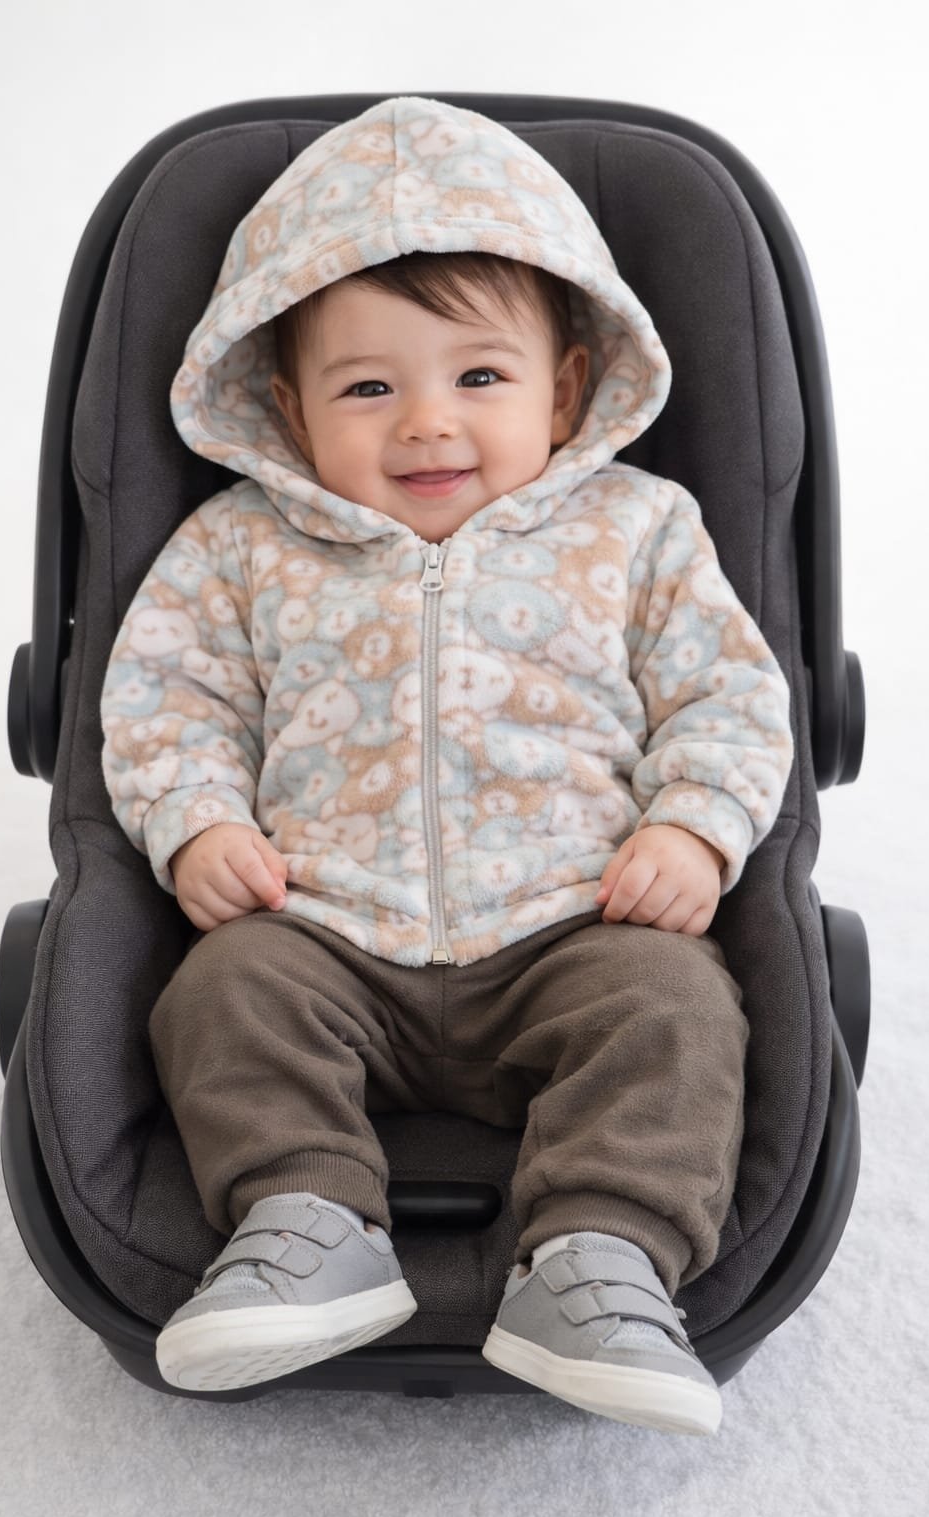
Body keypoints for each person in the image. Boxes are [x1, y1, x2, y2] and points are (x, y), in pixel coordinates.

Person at [100, 95, 793, 1434]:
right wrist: (195, 823)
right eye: (369, 387)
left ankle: (600, 1258)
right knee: (220, 995)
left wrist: (695, 828)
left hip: (578, 922)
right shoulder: (241, 546)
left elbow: (728, 694)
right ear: (288, 411)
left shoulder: (637, 529)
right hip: (320, 925)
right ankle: (304, 1224)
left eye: (479, 378)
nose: (427, 423)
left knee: (677, 1013)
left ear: (566, 391)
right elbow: (167, 701)